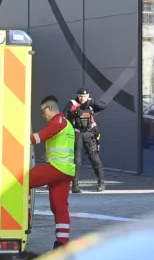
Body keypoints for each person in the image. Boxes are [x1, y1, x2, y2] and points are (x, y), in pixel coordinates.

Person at [31, 96, 77, 249]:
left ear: (50, 108)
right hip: (66, 170)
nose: (42, 115)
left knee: (22, 181)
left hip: (57, 167)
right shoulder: (67, 124)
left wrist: (16, 139)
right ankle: (62, 243)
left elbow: (41, 137)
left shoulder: (58, 121)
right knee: (59, 206)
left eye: (43, 111)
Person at [65, 87, 106, 193]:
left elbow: (103, 106)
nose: (82, 98)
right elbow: (64, 115)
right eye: (80, 96)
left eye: (84, 96)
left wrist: (92, 102)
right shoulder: (72, 104)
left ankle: (101, 182)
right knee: (76, 160)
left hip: (89, 133)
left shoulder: (91, 104)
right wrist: (73, 112)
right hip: (77, 134)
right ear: (77, 95)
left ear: (88, 95)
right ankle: (75, 184)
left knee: (94, 158)